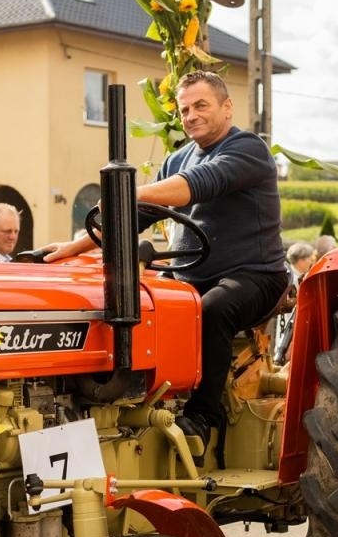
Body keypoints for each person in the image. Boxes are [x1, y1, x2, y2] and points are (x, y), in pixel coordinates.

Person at [44, 71, 287, 438]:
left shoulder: (247, 149)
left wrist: (128, 187)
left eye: (201, 105)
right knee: (133, 304)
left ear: (227, 107)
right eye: (185, 109)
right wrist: (72, 247)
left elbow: (200, 185)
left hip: (253, 275)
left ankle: (205, 418)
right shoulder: (176, 160)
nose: (191, 115)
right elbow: (132, 218)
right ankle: (131, 403)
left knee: (214, 309)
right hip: (190, 279)